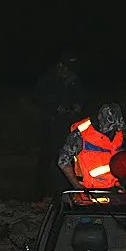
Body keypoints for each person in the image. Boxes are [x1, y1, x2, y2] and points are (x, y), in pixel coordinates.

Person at [34, 50, 87, 197]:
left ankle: (63, 191)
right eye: (67, 68)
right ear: (60, 65)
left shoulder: (74, 79)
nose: (69, 71)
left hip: (67, 125)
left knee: (65, 157)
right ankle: (40, 193)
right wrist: (55, 107)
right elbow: (40, 98)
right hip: (49, 124)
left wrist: (77, 105)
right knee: (46, 157)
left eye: (72, 69)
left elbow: (81, 97)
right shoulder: (48, 79)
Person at [57, 103, 126, 190]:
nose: (113, 131)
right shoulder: (81, 134)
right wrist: (77, 186)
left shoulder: (119, 133)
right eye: (111, 127)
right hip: (88, 190)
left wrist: (120, 184)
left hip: (113, 189)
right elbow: (63, 161)